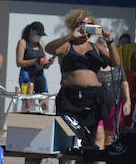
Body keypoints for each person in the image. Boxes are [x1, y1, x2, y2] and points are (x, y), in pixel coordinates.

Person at [46, 10, 112, 147]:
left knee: (90, 139)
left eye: (89, 24)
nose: (85, 27)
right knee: (66, 136)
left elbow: (116, 62)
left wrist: (110, 41)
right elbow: (49, 48)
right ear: (74, 25)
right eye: (82, 24)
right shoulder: (67, 45)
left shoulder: (96, 47)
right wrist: (71, 36)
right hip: (70, 97)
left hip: (92, 98)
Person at [15, 21, 53, 114]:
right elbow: (19, 63)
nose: (39, 37)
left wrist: (48, 63)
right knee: (28, 102)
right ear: (31, 31)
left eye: (41, 35)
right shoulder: (23, 43)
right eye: (37, 34)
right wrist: (35, 61)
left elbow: (44, 63)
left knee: (44, 102)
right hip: (27, 74)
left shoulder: (41, 44)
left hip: (40, 75)